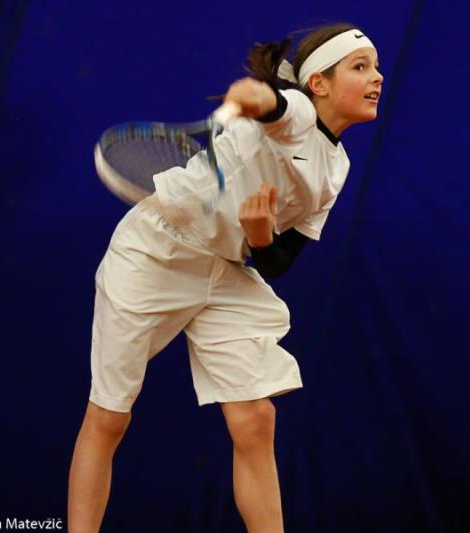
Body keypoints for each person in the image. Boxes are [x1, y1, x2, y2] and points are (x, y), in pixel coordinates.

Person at [67, 22, 383, 533]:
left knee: (256, 420)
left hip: (225, 269)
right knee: (110, 416)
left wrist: (259, 234)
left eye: (376, 67)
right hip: (155, 253)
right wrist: (252, 95)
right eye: (361, 67)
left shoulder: (336, 169)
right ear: (318, 84)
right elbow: (273, 104)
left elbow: (277, 262)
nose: (377, 77)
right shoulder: (299, 111)